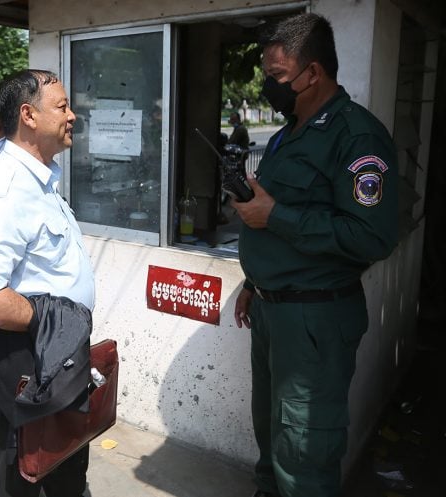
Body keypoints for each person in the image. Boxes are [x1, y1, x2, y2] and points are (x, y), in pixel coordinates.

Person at [231, 14, 398, 497]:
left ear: (314, 73)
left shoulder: (356, 136)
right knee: (271, 431)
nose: (269, 86)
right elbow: (278, 214)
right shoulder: (288, 133)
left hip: (315, 319)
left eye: (278, 76)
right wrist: (252, 284)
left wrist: (274, 215)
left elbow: (371, 236)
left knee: (304, 447)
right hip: (271, 308)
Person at [0, 70, 95, 497]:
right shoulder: (7, 190)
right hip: (31, 366)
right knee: (23, 475)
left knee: (64, 468)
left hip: (56, 359)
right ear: (29, 115)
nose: (72, 115)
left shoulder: (41, 179)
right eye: (62, 107)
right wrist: (54, 318)